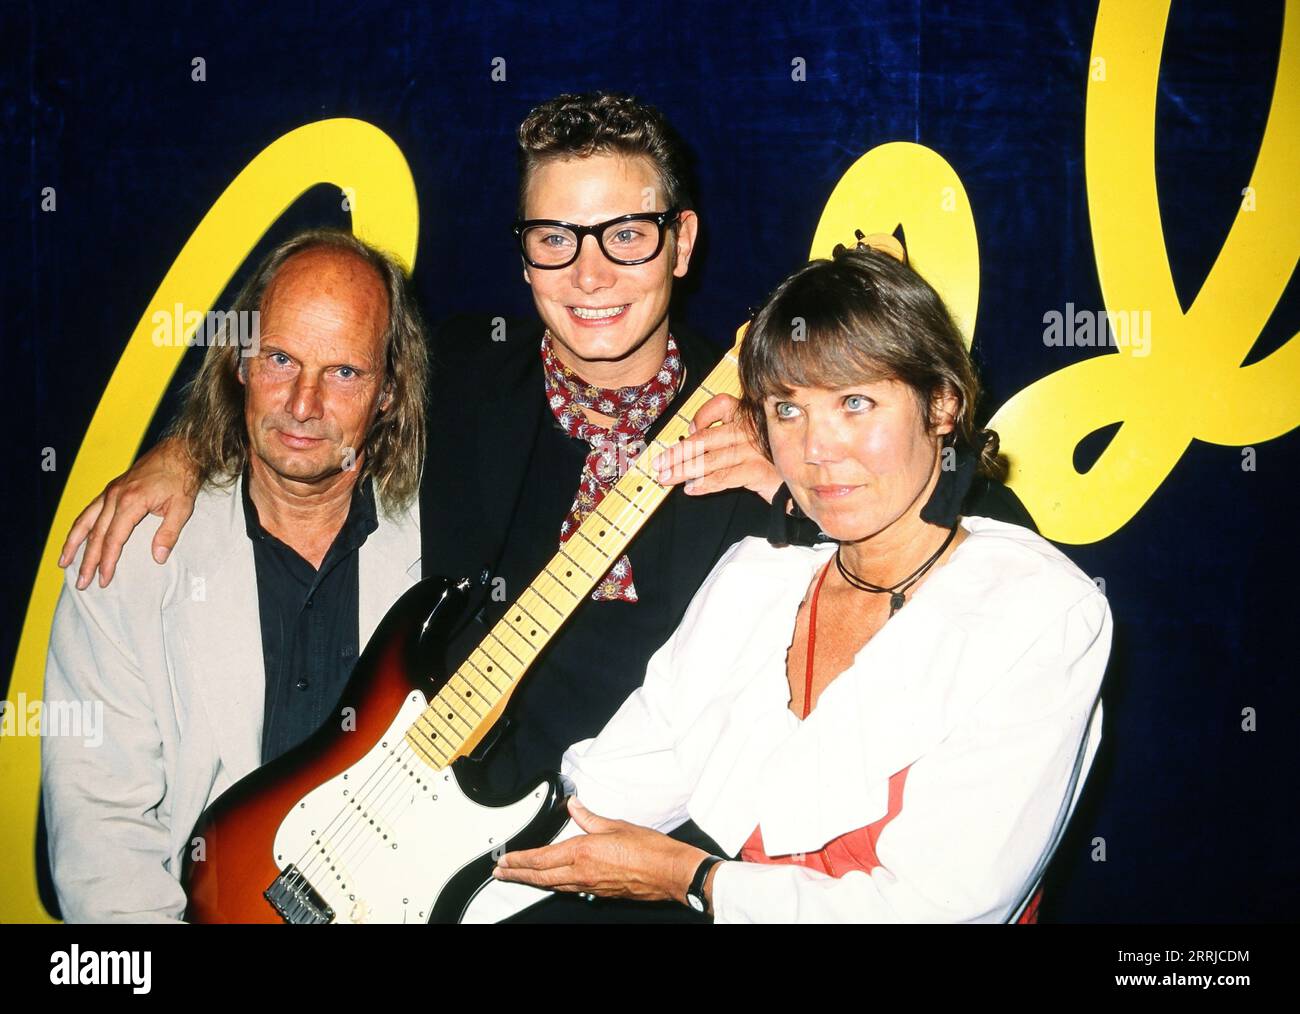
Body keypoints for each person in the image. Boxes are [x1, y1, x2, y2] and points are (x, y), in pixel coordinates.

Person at [55, 93, 1036, 922]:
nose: (590, 272)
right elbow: (311, 396)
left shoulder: (782, 428)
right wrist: (183, 453)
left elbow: (991, 548)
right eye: (554, 238)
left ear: (681, 241)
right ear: (522, 255)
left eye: (627, 234)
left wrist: (795, 486)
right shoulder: (462, 386)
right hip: (429, 878)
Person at [490, 242, 1112, 923]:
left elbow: (940, 910)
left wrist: (695, 880)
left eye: (854, 402)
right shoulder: (755, 581)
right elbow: (595, 803)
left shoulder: (1038, 611)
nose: (818, 450)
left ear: (941, 405)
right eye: (787, 410)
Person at [41, 229, 428, 921]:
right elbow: (103, 837)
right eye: (281, 359)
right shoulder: (129, 558)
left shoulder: (455, 541)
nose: (304, 405)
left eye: (345, 373)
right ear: (241, 362)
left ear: (391, 393)